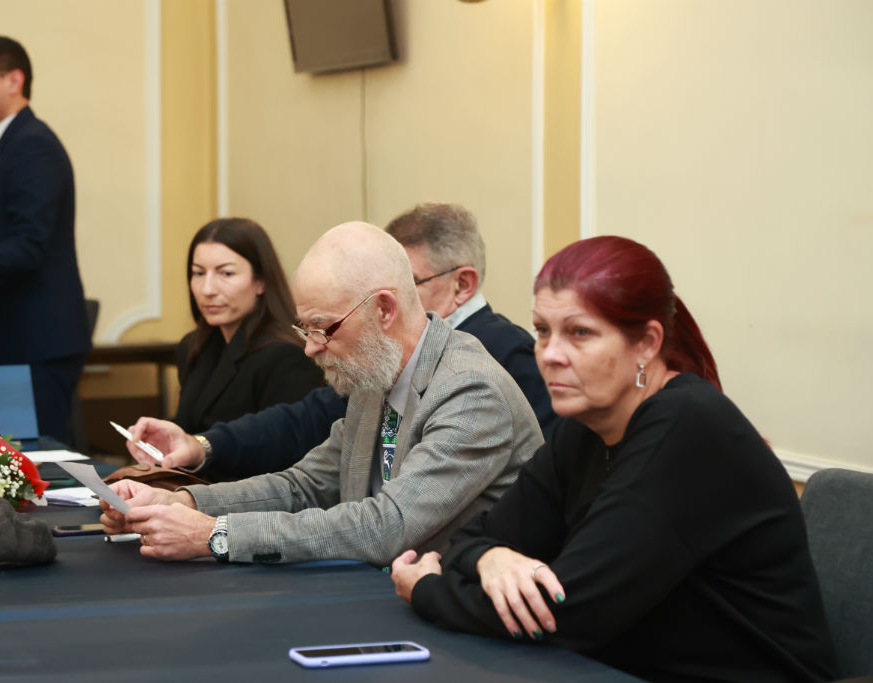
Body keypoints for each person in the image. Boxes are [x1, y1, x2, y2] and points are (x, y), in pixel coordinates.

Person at [390, 236, 837, 682]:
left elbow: (564, 614)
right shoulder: (586, 425)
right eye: (542, 331)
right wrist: (492, 557)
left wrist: (428, 590)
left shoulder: (686, 427)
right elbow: (472, 538)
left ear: (647, 343)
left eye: (580, 333)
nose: (551, 355)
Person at [100, 221, 542, 566]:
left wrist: (214, 534)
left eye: (323, 328)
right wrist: (181, 501)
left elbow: (387, 527)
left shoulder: (470, 392)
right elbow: (306, 486)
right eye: (305, 329)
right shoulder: (377, 374)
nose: (311, 348)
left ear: (384, 310)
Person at [131, 202, 554, 481]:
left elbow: (395, 519)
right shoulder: (384, 360)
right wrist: (202, 453)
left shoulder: (498, 357)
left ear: (462, 285)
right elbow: (311, 427)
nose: (395, 297)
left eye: (409, 280)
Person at [0, 36, 90, 445]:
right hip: (10, 337)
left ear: (14, 80)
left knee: (44, 461)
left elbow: (29, 246)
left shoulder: (33, 145)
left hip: (37, 341)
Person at [171, 218, 324, 435]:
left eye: (226, 273)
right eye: (199, 273)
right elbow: (186, 427)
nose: (207, 289)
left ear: (261, 281)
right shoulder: (193, 346)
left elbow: (284, 444)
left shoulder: (285, 355)